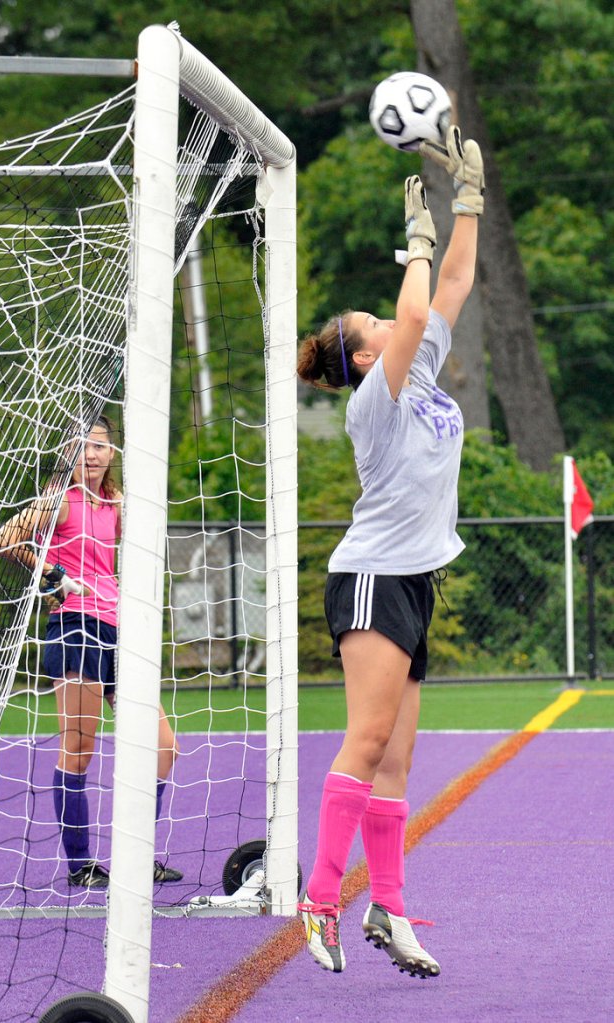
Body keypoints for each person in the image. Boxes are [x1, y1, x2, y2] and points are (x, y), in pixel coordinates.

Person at [295, 126, 483, 975]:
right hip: (370, 578)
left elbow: (450, 285)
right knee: (366, 741)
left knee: (398, 759)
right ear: (367, 355)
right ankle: (321, 898)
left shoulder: (418, 368)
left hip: (412, 581)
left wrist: (468, 197)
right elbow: (415, 300)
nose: (389, 316)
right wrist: (415, 234)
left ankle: (391, 908)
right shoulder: (375, 398)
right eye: (372, 322)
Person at [0, 414, 182, 889]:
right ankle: (80, 865)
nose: (91, 455)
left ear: (112, 453)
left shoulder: (118, 502)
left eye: (99, 446)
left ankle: (137, 857)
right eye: (81, 447)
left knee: (163, 747)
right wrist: (52, 576)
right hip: (75, 628)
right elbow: (2, 541)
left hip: (120, 631)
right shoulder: (59, 502)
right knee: (79, 749)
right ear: (68, 456)